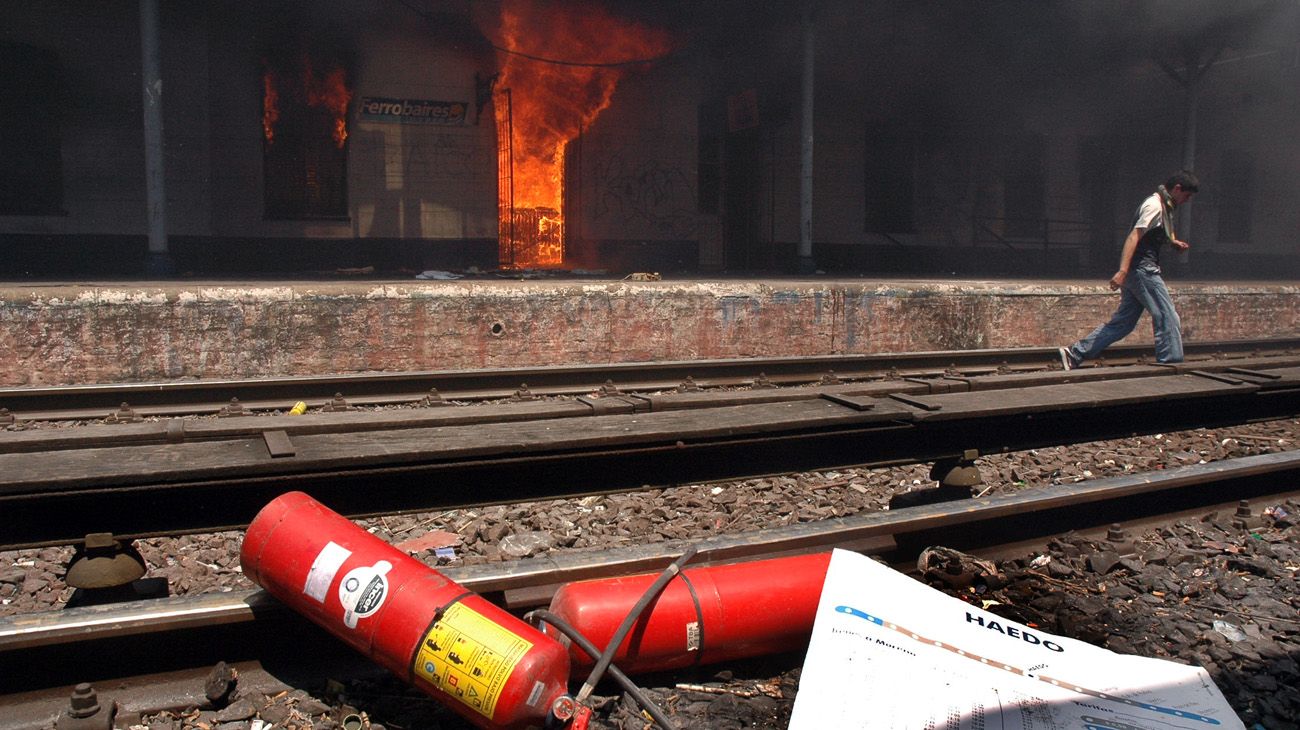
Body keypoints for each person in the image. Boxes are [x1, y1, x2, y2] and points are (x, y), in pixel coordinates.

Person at [1059, 170, 1199, 369]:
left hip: (1137, 271)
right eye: (1187, 195)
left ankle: (1075, 353)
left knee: (1123, 323)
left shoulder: (1163, 206)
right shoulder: (1154, 206)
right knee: (1167, 315)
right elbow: (1134, 236)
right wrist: (1122, 271)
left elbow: (1153, 233)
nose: (1187, 200)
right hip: (1143, 270)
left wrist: (1173, 242)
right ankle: (1171, 364)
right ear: (1177, 189)